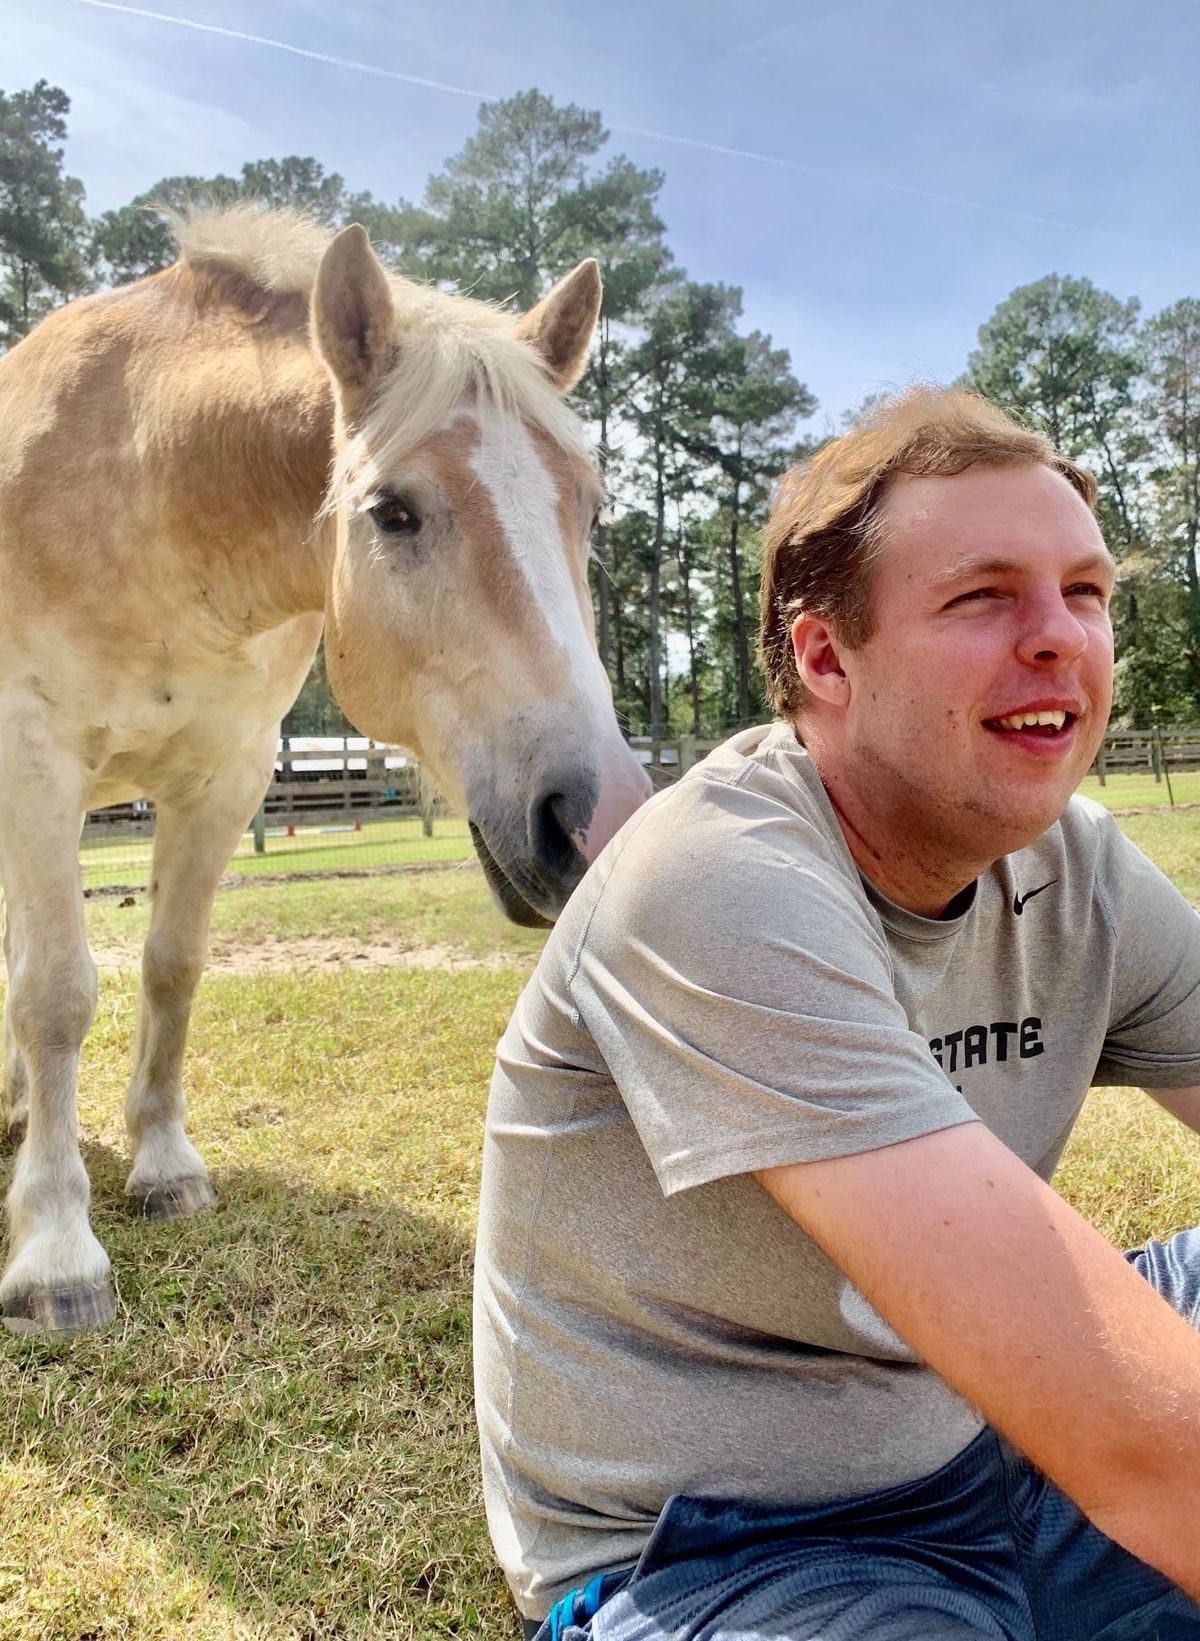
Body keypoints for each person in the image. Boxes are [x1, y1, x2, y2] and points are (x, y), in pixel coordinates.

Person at [473, 388, 1200, 1640]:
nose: (1059, 639)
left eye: (1085, 593)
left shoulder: (1076, 865)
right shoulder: (710, 879)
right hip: (736, 1555)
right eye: (983, 596)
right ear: (824, 659)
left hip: (999, 1457)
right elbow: (1146, 1446)